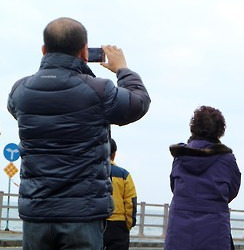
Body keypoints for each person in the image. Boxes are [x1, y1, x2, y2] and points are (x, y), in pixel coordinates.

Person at [7, 17, 151, 249]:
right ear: (85, 51)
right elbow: (139, 103)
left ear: (44, 50)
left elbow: (18, 112)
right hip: (82, 215)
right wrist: (123, 69)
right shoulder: (99, 90)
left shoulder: (20, 91)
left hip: (36, 214)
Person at [164, 106, 241, 250]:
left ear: (193, 127)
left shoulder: (181, 156)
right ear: (220, 130)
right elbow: (233, 190)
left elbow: (174, 187)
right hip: (215, 226)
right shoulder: (227, 160)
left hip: (180, 225)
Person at [104, 138, 137, 250]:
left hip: (96, 221)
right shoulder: (124, 175)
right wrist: (128, 224)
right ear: (114, 154)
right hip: (118, 224)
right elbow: (130, 202)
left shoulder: (91, 171)